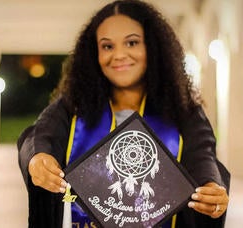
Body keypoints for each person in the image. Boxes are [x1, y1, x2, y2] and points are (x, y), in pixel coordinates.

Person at [17, 0, 230, 227]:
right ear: (94, 53)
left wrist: (212, 188)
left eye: (132, 42)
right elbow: (39, 135)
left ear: (153, 46)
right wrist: (37, 159)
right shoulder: (74, 105)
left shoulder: (183, 109)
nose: (119, 55)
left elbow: (203, 156)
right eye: (107, 46)